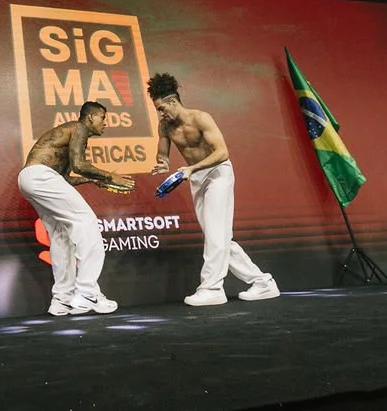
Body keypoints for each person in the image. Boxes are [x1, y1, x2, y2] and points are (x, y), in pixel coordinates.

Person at [147, 73, 279, 307]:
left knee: (217, 235)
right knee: (218, 236)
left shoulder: (201, 118)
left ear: (173, 102)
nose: (160, 113)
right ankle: (262, 282)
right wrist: (163, 162)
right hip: (196, 177)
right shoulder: (165, 126)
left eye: (161, 108)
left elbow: (222, 153)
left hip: (218, 173)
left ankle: (212, 288)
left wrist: (191, 169)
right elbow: (163, 151)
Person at [18, 102, 136, 316]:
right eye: (103, 118)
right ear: (90, 117)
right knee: (87, 221)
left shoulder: (69, 133)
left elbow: (63, 178)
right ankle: (87, 291)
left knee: (61, 235)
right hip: (42, 177)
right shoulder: (79, 128)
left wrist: (93, 181)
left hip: (31, 178)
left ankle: (62, 299)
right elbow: (80, 164)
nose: (105, 123)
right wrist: (109, 175)